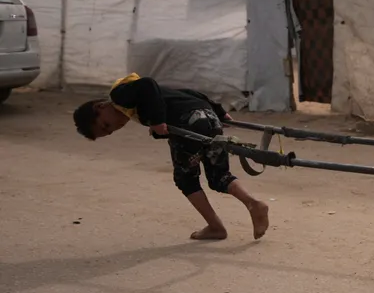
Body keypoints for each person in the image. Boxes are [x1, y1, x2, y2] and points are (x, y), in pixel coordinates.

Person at [73, 73, 270, 241]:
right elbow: (188, 94)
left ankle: (216, 227)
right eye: (110, 132)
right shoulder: (145, 102)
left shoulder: (119, 95)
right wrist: (218, 111)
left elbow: (147, 83)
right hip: (206, 116)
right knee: (219, 176)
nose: (114, 127)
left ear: (100, 107)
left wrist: (157, 121)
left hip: (187, 121)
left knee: (186, 179)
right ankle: (254, 204)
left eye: (106, 125)